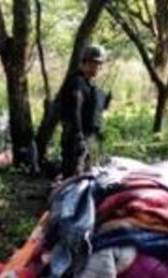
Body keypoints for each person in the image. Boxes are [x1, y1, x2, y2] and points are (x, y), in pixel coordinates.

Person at [58, 44, 109, 179]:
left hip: (87, 137)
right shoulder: (77, 83)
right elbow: (75, 111)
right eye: (96, 64)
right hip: (75, 138)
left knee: (86, 176)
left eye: (100, 64)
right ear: (86, 62)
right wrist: (78, 136)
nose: (99, 68)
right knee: (73, 178)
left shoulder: (89, 84)